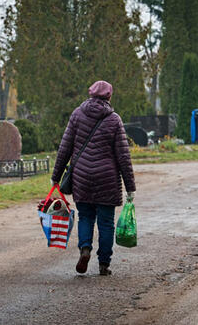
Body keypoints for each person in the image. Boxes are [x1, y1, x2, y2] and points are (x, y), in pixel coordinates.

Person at [51, 80, 136, 276]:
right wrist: (130, 187)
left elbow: (65, 147)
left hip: (81, 176)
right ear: (109, 96)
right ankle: (104, 264)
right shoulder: (114, 119)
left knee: (86, 216)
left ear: (90, 94)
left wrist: (55, 176)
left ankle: (85, 248)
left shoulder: (77, 114)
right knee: (106, 222)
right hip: (107, 177)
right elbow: (123, 156)